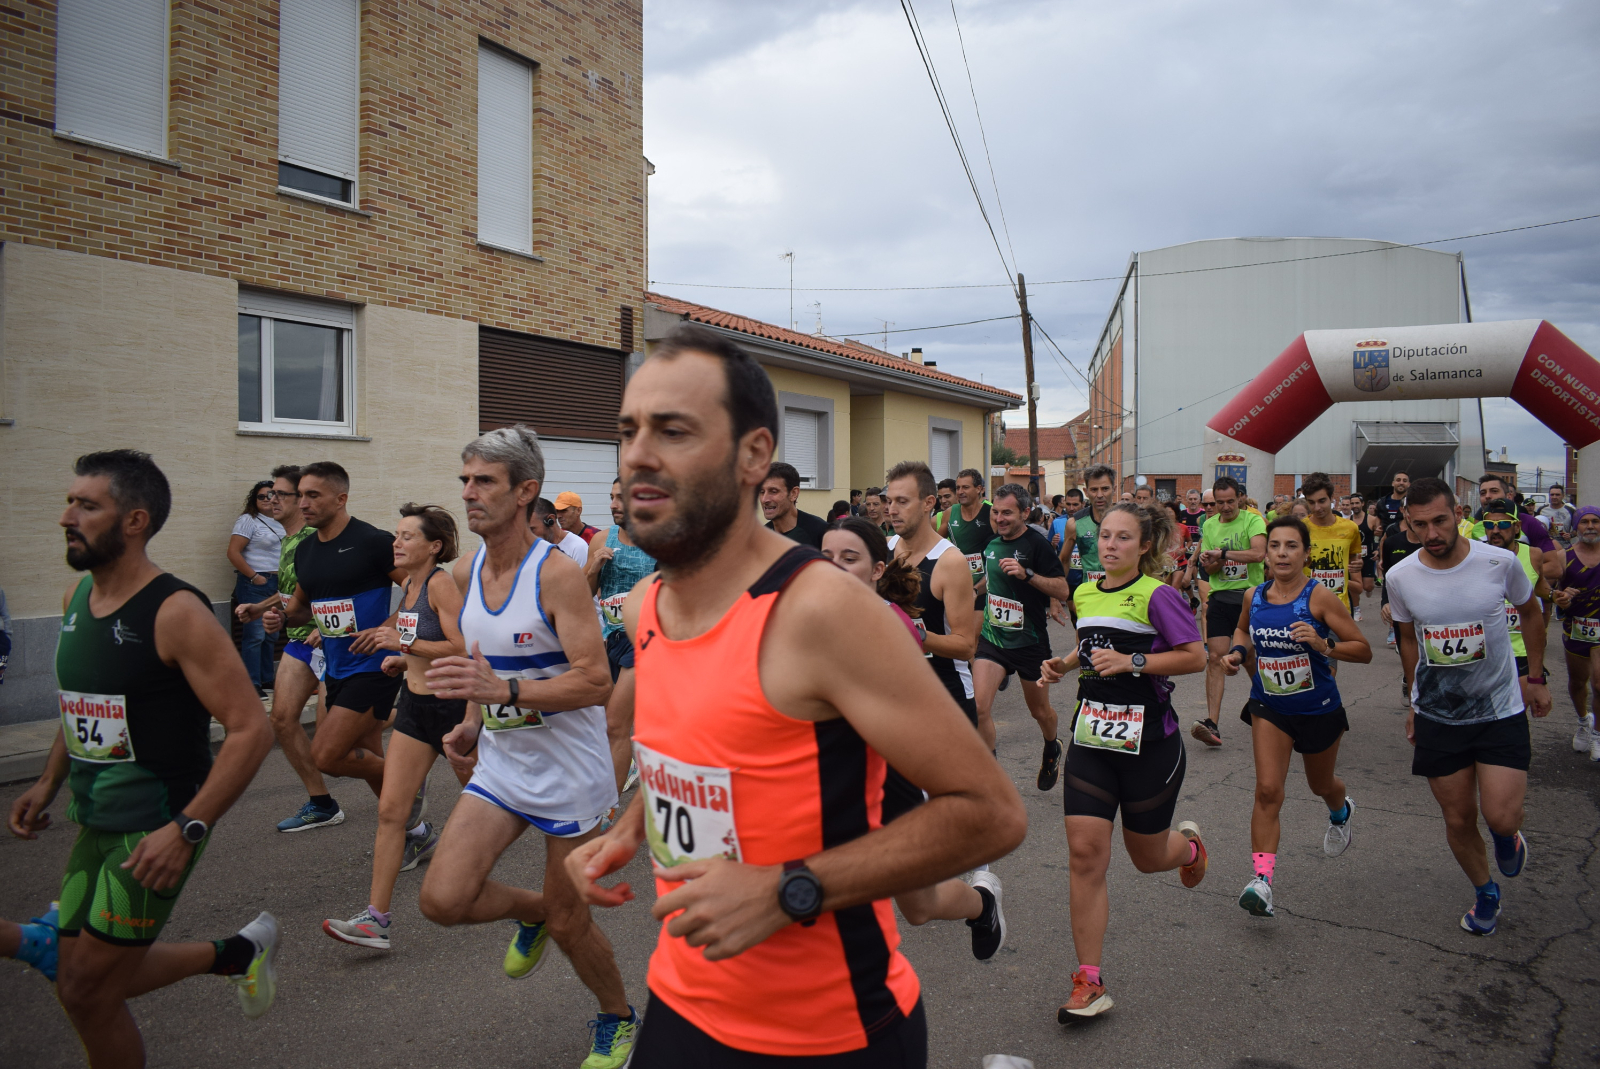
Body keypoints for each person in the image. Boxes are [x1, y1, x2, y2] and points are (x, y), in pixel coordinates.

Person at [565, 324, 1026, 1066]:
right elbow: (693, 755)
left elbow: (991, 814)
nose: (639, 454)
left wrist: (790, 888)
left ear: (754, 455)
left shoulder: (820, 611)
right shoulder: (645, 602)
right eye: (628, 431)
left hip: (828, 1033)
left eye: (673, 430)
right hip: (682, 1001)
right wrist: (624, 833)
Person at [5, 450, 280, 1065]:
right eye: (70, 501)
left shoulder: (176, 611)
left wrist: (186, 828)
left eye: (86, 505)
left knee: (88, 991)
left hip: (154, 829)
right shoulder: (80, 595)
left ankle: (235, 953)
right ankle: (237, 953)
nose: (65, 516)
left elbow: (249, 729)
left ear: (133, 520)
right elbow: (84, 704)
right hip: (93, 823)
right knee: (77, 983)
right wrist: (49, 781)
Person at [419, 425, 634, 1069]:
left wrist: (504, 690)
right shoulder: (463, 571)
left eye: (484, 481)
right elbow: (477, 663)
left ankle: (618, 1017)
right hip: (505, 768)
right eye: (464, 481)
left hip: (571, 776)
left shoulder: (558, 575)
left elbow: (596, 681)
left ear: (525, 492)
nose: (468, 494)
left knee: (575, 927)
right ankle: (539, 909)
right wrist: (472, 718)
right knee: (442, 900)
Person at [1038, 503, 1208, 1019]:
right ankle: (1089, 981)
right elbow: (1092, 642)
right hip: (1092, 739)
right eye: (1105, 536)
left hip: (1150, 743)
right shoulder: (1084, 592)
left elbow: (1194, 655)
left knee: (1146, 857)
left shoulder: (1158, 596)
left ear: (1143, 546)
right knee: (1086, 855)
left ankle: (1190, 850)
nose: (1110, 544)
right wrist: (1065, 663)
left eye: (1123, 538)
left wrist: (1135, 661)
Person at [825, 512, 1004, 959]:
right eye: (825, 557)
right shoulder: (811, 617)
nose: (833, 567)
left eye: (849, 558)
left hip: (888, 767)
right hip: (835, 772)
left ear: (877, 569)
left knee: (920, 907)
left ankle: (982, 904)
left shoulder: (892, 625)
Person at [1387, 477, 1550, 936]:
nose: (1432, 533)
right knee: (1457, 816)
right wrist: (1414, 701)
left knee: (1500, 814)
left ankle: (1505, 836)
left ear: (1459, 514)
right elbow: (1406, 639)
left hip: (1499, 708)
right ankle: (1485, 891)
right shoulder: (1400, 577)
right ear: (1409, 525)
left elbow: (1532, 612)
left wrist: (1535, 678)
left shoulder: (1498, 562)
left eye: (1440, 520)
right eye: (1420, 525)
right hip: (1440, 715)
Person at [323, 504, 469, 951]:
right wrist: (403, 659)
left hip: (453, 708)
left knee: (499, 803)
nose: (396, 543)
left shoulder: (441, 585)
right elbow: (422, 645)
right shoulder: (408, 585)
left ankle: (569, 856)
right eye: (397, 535)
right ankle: (376, 920)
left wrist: (402, 642)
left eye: (407, 536)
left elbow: (462, 647)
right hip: (414, 708)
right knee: (391, 812)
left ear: (434, 546)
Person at [1221, 516, 1371, 918]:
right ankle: (1262, 882)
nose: (1282, 553)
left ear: (1305, 553)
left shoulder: (1319, 597)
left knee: (1320, 782)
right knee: (1268, 790)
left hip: (1318, 708)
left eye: (1291, 546)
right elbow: (1242, 631)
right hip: (1270, 705)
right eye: (1275, 546)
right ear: (1266, 553)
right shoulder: (1254, 595)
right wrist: (1237, 654)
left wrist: (1324, 645)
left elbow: (1362, 648)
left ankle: (1341, 810)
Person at [263, 462, 408, 809]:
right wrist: (279, 616)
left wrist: (386, 628)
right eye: (300, 495)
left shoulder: (372, 541)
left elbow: (420, 589)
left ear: (341, 498)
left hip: (375, 666)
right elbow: (300, 606)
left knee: (327, 755)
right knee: (369, 755)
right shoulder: (307, 549)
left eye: (313, 495)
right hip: (337, 667)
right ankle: (411, 832)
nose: (302, 503)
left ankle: (408, 781)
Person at [237, 465, 341, 832]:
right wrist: (262, 609)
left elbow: (349, 589)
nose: (271, 499)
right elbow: (294, 594)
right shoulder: (288, 540)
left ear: (301, 499)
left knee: (334, 745)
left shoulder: (319, 539)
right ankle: (322, 803)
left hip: (330, 645)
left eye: (280, 494)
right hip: (299, 642)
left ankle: (415, 736)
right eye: (268, 494)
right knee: (281, 719)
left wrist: (333, 630)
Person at [974, 483, 1072, 780]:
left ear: (1026, 512)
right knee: (978, 707)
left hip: (1029, 642)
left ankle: (1051, 745)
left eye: (1007, 512)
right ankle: (989, 778)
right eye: (995, 512)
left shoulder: (1036, 544)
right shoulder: (991, 544)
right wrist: (965, 591)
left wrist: (1027, 574)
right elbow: (986, 581)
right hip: (993, 640)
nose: (999, 518)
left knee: (1040, 712)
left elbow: (1063, 589)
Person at [586, 477, 659, 792]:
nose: (614, 504)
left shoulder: (661, 542)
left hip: (645, 641)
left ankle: (608, 809)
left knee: (615, 724)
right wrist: (593, 567)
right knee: (605, 724)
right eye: (611, 497)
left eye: (621, 498)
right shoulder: (602, 539)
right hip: (612, 639)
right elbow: (582, 594)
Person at [1193, 477, 1267, 746]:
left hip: (1250, 598)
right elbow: (1212, 570)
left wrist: (1222, 553)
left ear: (1241, 499)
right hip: (1221, 597)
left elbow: (1258, 554)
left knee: (1248, 658)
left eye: (1229, 501)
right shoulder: (1209, 525)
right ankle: (1212, 723)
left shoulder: (1252, 521)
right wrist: (1209, 561)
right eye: (1219, 502)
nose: (1224, 507)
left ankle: (1268, 705)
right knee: (1215, 657)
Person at [226, 479, 285, 697]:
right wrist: (254, 577)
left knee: (271, 633)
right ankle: (252, 683)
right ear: (255, 500)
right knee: (254, 635)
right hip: (255, 584)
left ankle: (266, 678)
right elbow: (233, 552)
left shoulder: (282, 520)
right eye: (262, 496)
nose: (268, 500)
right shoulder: (248, 520)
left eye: (273, 495)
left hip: (278, 583)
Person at [1553, 506, 1600, 763]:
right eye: (1585, 522)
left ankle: (1598, 735)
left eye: (1595, 521)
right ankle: (1583, 720)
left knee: (1599, 684)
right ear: (1576, 527)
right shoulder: (1563, 557)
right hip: (1576, 629)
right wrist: (1562, 598)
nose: (1590, 526)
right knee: (1577, 683)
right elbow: (1550, 594)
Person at [1299, 473, 1363, 642]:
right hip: (1306, 607)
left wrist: (1356, 571)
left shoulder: (1350, 528)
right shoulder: (1301, 528)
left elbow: (1353, 559)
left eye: (1322, 501)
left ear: (1331, 498)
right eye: (1311, 502)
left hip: (1337, 607)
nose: (1317, 507)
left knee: (1330, 664)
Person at [1060, 465, 1116, 621]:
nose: (1099, 495)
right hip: (1090, 593)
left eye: (1105, 489)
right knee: (1085, 640)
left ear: (1114, 488)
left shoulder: (1127, 519)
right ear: (1086, 492)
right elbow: (1064, 560)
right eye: (1094, 490)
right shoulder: (1075, 523)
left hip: (1122, 594)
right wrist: (1054, 597)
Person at [937, 468, 994, 593]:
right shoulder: (950, 513)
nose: (960, 492)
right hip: (958, 582)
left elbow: (1003, 550)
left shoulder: (991, 513)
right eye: (958, 488)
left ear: (979, 489)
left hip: (987, 584)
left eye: (965, 487)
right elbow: (935, 546)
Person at [760, 461, 829, 548]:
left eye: (773, 491)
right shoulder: (761, 538)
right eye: (762, 492)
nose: (764, 499)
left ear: (793, 494)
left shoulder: (820, 532)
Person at [534, 496, 590, 566]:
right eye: (557, 511)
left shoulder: (579, 546)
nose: (559, 516)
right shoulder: (535, 546)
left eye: (564, 511)